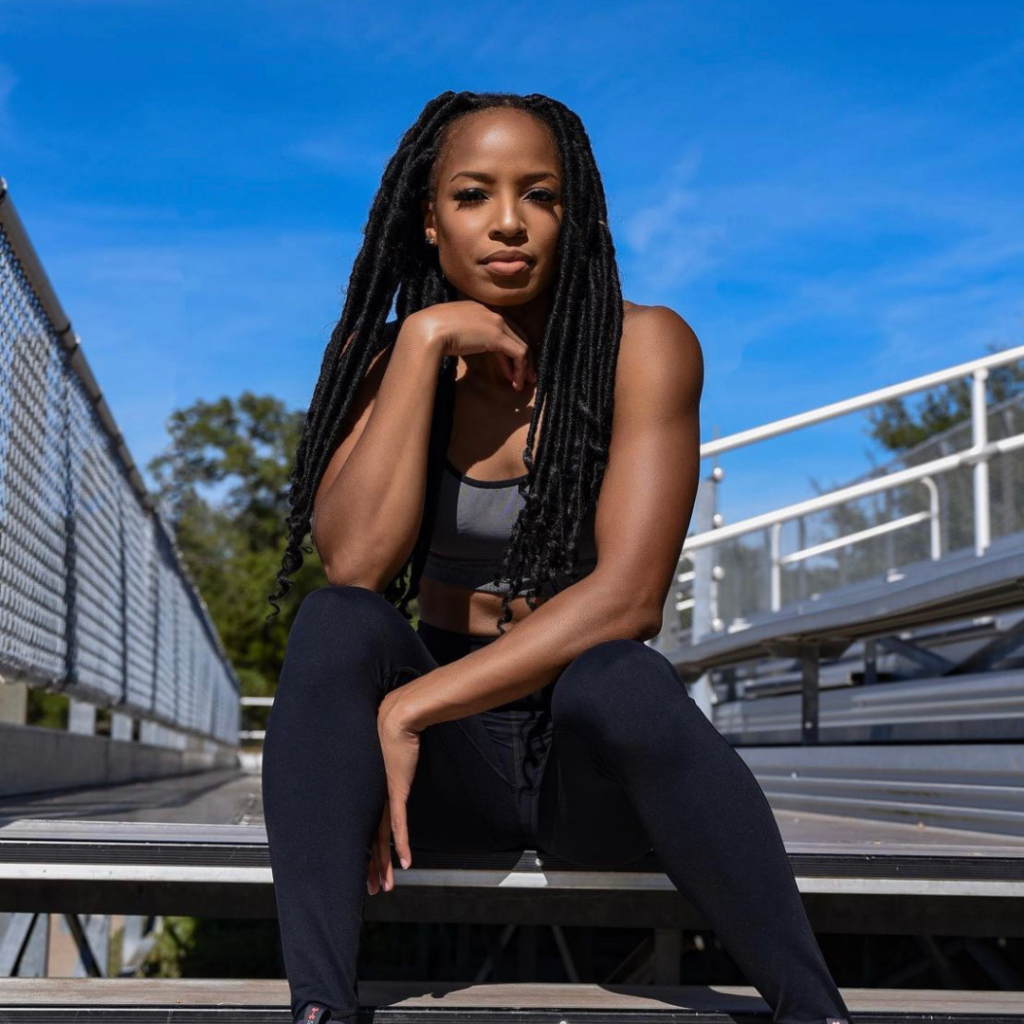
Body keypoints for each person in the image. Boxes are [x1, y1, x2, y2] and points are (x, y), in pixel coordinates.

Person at [262, 90, 852, 1024]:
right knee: (337, 624)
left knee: (619, 676)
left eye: (540, 194)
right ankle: (320, 1010)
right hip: (445, 772)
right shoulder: (393, 360)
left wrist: (411, 706)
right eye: (472, 195)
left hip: (582, 758)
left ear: (575, 216)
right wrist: (420, 344)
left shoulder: (645, 347)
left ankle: (814, 1010)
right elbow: (356, 567)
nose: (508, 223)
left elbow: (629, 598)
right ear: (428, 219)